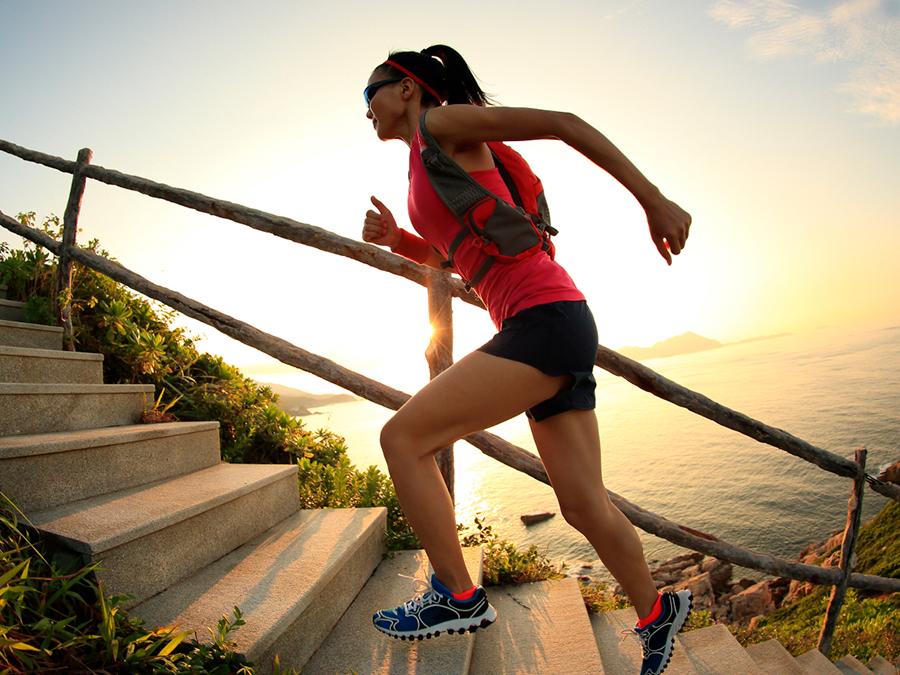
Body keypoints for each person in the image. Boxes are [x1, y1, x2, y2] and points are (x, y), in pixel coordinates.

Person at [360, 44, 693, 675]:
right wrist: (401, 242)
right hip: (555, 319)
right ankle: (657, 614)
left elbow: (563, 123)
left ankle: (456, 597)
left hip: (542, 321)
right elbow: (465, 256)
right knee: (583, 503)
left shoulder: (440, 123)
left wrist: (654, 199)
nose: (364, 108)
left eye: (369, 92)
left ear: (406, 88)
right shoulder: (422, 160)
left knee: (403, 439)